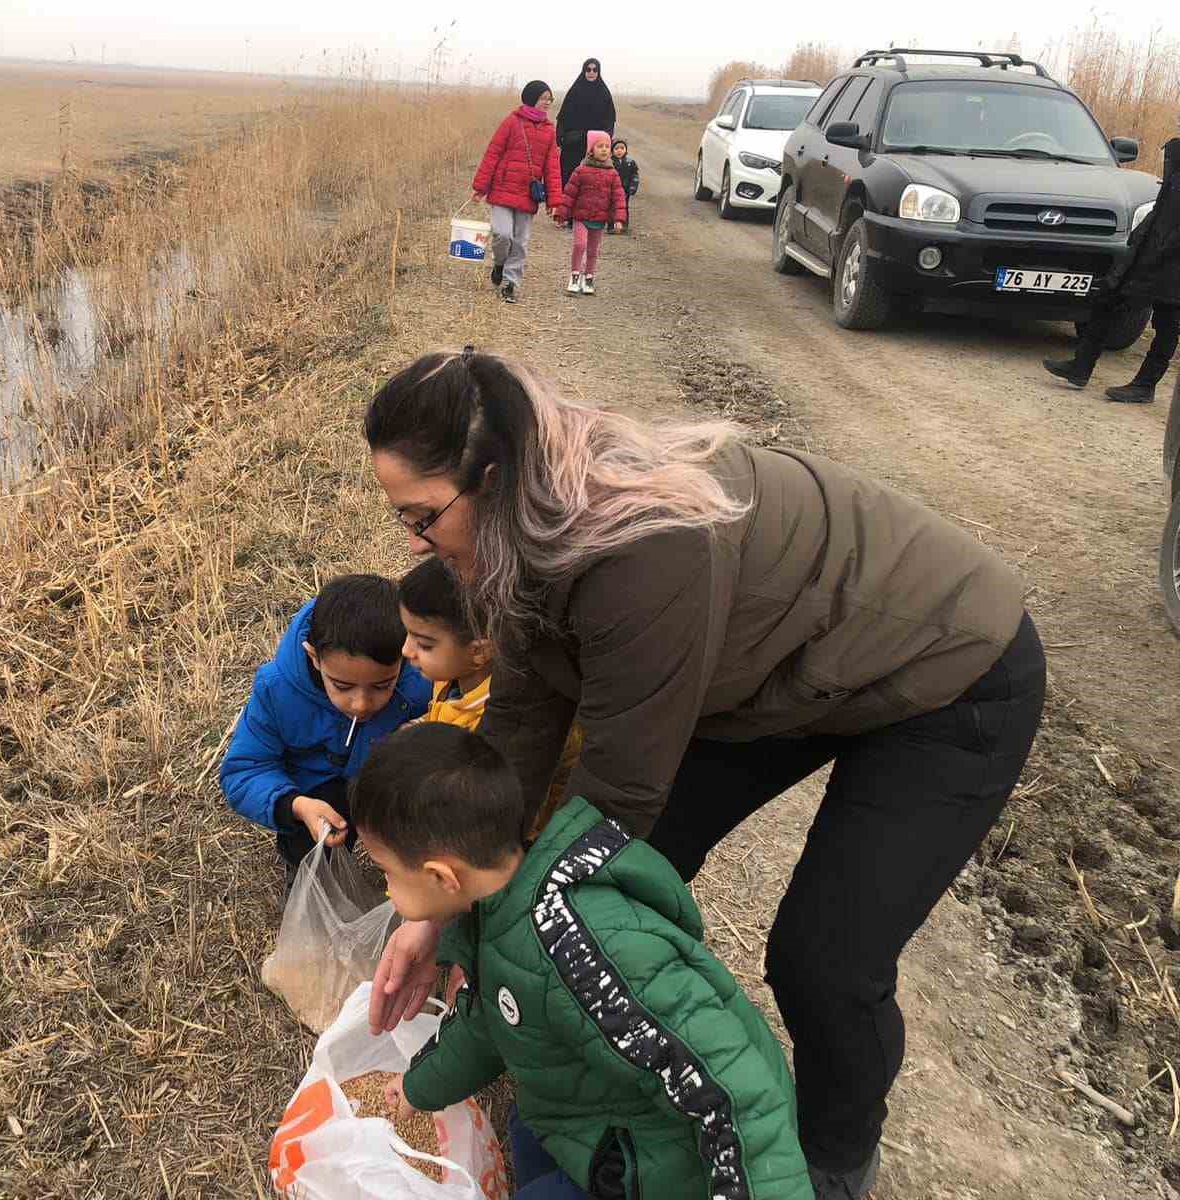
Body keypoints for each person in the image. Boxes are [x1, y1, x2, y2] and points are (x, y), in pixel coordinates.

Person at [364, 349, 1046, 1200]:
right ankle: (598, 1077)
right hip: (778, 676)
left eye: (420, 517)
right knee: (607, 880)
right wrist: (446, 909)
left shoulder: (639, 551)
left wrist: (490, 924)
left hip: (946, 669)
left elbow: (615, 799)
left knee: (822, 956)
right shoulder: (518, 529)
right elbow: (520, 726)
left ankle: (834, 1162)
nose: (418, 542)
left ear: (489, 475)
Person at [352, 724, 814, 1200]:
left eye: (387, 872)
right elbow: (489, 1022)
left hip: (668, 1168)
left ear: (441, 876)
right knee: (526, 1130)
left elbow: (737, 1094)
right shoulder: (495, 912)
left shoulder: (582, 950)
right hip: (588, 1119)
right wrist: (417, 1088)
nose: (386, 888)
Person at [219, 573, 430, 888]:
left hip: (386, 778)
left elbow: (461, 709)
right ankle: (311, 877)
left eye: (382, 685)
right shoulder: (277, 691)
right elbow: (244, 770)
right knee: (312, 845)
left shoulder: (422, 676)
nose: (361, 704)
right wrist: (296, 806)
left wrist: (426, 729)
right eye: (343, 686)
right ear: (313, 657)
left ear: (406, 655)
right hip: (317, 797)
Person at [398, 556, 581, 833]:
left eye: (424, 644)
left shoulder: (504, 720)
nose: (406, 651)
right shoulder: (454, 674)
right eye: (408, 635)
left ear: (479, 652)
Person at [1044, 136, 1180, 402]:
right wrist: (1139, 240)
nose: (1165, 162)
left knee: (1167, 324)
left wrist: (1161, 253)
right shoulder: (1175, 166)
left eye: (1168, 159)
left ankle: (1145, 385)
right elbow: (1161, 213)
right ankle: (1080, 367)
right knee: (1108, 300)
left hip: (1171, 265)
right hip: (1148, 253)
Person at [472, 80, 563, 304]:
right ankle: (500, 264)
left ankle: (510, 283)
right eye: (544, 98)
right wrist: (480, 187)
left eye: (550, 99)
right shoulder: (512, 122)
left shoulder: (550, 130)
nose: (548, 103)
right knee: (502, 234)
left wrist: (555, 200)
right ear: (532, 98)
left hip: (527, 194)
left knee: (520, 242)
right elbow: (493, 153)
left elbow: (552, 166)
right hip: (503, 189)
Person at [554, 132, 626, 295]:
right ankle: (574, 276)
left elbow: (619, 197)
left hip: (599, 219)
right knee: (580, 245)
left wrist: (619, 218)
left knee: (593, 251)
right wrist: (561, 213)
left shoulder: (612, 174)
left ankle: (588, 277)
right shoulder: (581, 170)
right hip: (581, 217)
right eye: (600, 146)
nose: (604, 150)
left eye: (607, 147)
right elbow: (569, 194)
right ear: (591, 150)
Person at [555, 58, 616, 186]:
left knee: (591, 183)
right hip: (573, 145)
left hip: (594, 147)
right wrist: (561, 138)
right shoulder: (574, 91)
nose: (591, 72)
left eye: (595, 70)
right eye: (588, 69)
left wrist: (606, 139)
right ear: (584, 71)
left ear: (598, 72)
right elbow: (563, 117)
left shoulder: (604, 93)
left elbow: (610, 119)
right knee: (568, 181)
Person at [611, 138, 641, 233]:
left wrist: (633, 187)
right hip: (612, 190)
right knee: (612, 207)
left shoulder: (630, 162)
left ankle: (624, 225)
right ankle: (611, 225)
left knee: (624, 207)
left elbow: (634, 175)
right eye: (616, 148)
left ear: (625, 150)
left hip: (625, 190)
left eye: (622, 148)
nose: (619, 150)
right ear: (612, 150)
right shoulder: (609, 162)